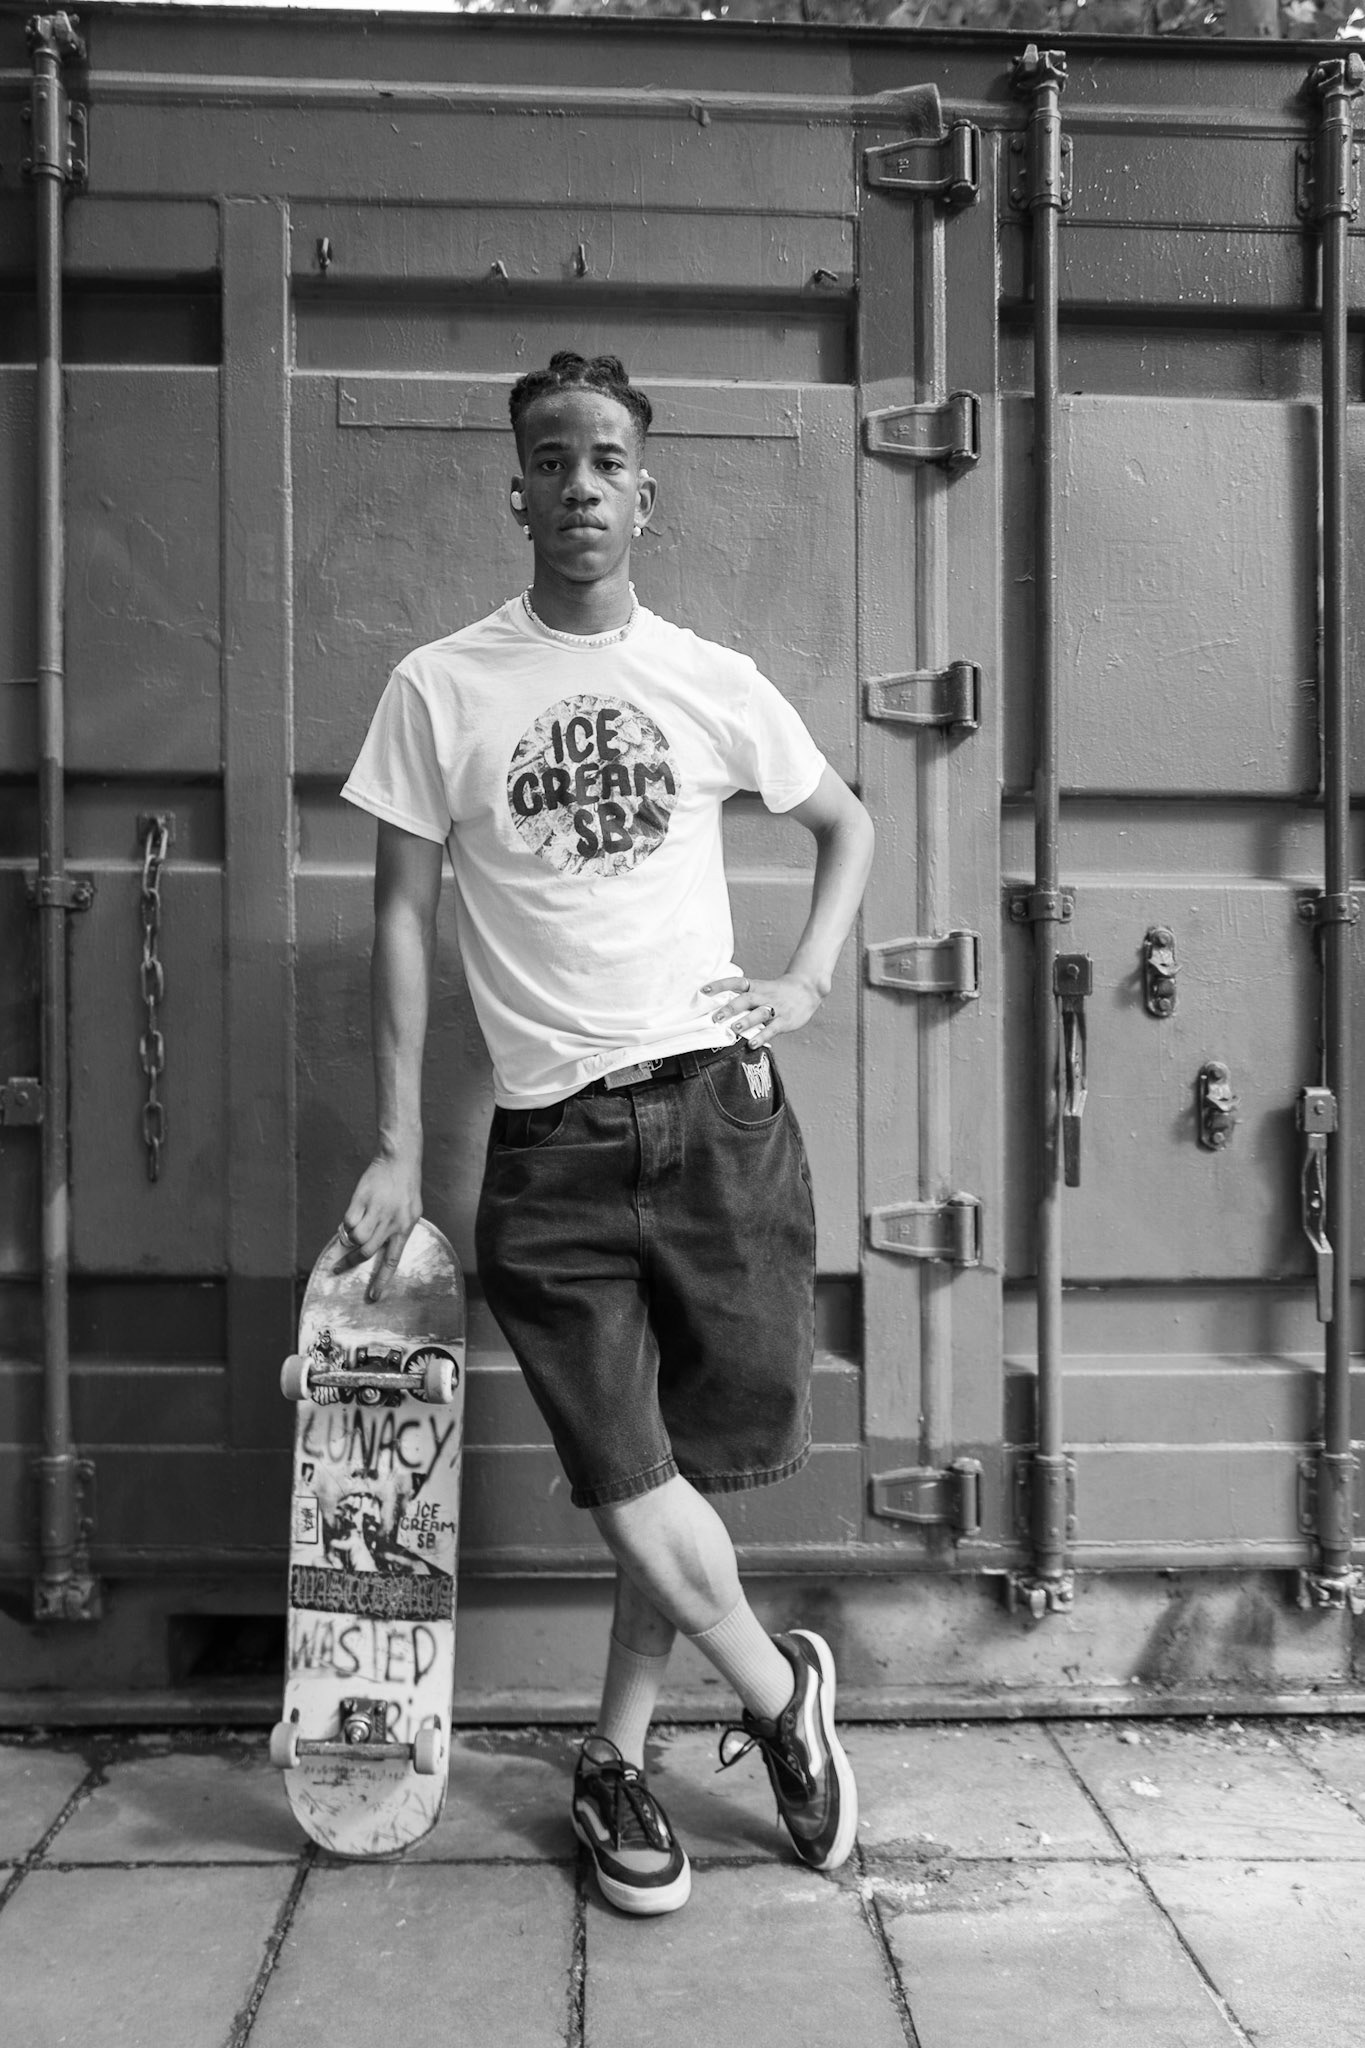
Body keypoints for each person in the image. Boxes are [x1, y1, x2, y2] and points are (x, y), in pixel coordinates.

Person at [338, 350, 875, 1917]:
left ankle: (614, 1756)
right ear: (514, 488)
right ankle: (781, 1700)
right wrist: (392, 1143)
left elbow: (843, 821)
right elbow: (395, 918)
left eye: (608, 459)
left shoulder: (706, 675)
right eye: (552, 459)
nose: (579, 483)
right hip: (550, 1144)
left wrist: (805, 977)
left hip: (717, 1115)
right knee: (627, 1466)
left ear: (648, 492)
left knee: (684, 1467)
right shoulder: (442, 687)